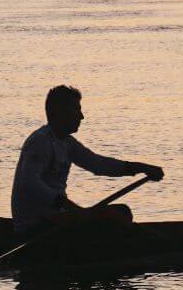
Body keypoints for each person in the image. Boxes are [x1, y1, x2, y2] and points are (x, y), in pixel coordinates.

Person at [11, 85, 163, 236]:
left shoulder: (67, 143)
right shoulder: (40, 141)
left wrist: (143, 168)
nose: (81, 116)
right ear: (59, 112)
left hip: (59, 218)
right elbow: (29, 183)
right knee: (113, 218)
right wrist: (71, 208)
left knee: (122, 211)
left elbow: (98, 164)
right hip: (36, 228)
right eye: (76, 109)